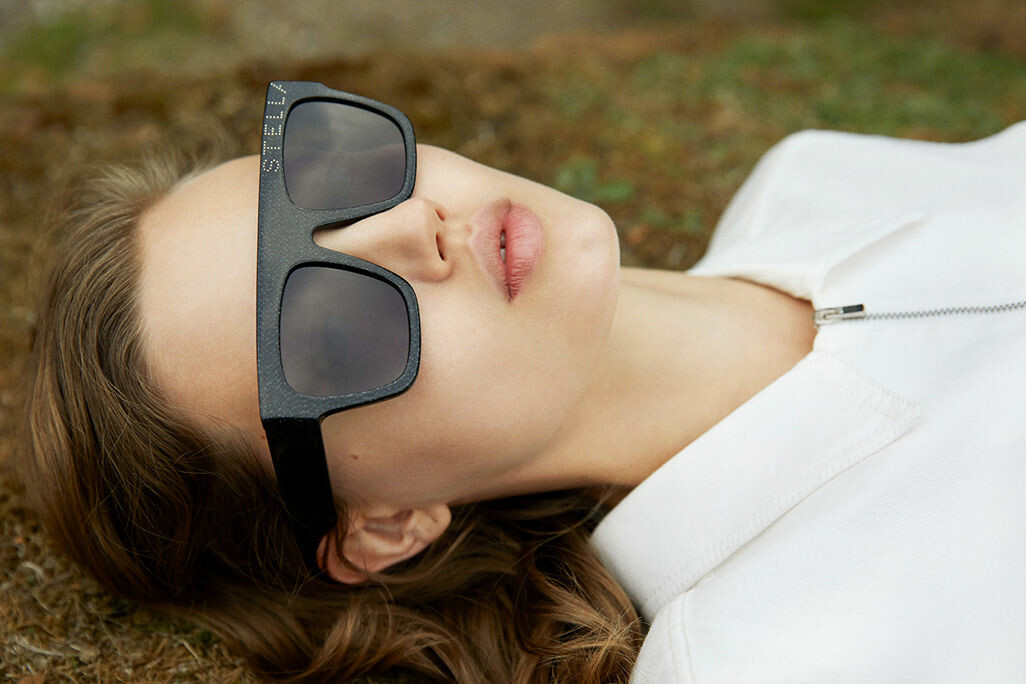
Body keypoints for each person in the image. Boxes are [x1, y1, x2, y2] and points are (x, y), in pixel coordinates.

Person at [18, 78, 1026, 683]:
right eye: (326, 330)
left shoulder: (813, 178)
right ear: (385, 526)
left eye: (329, 179)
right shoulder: (784, 656)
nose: (407, 226)